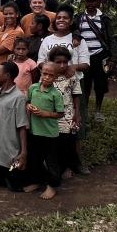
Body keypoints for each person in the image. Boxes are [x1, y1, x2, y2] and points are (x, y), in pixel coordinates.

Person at [0, 61, 28, 191]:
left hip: (9, 152)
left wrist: (23, 152)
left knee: (15, 187)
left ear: (7, 75)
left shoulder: (19, 97)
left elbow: (22, 126)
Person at [75, 0, 117, 122]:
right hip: (84, 57)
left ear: (98, 2)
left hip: (101, 56)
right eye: (88, 1)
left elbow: (111, 39)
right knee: (85, 84)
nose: (90, 4)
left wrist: (113, 58)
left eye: (93, 1)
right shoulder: (79, 17)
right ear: (85, 2)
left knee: (100, 84)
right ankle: (85, 110)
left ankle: (98, 110)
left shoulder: (104, 18)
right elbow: (74, 33)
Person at [25, 61, 65, 200]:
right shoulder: (33, 88)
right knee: (34, 158)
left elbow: (60, 113)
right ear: (41, 73)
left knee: (51, 161)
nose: (47, 77)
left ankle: (52, 186)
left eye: (51, 75)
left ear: (56, 78)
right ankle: (37, 181)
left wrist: (45, 114)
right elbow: (27, 101)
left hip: (49, 133)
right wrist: (29, 106)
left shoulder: (55, 94)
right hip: (34, 131)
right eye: (45, 74)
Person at [48, 46, 84, 177]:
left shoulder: (71, 76)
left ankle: (68, 166)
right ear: (52, 62)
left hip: (68, 114)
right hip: (51, 115)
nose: (62, 65)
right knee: (54, 143)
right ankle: (56, 168)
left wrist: (77, 113)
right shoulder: (47, 76)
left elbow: (76, 94)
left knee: (68, 141)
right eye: (58, 62)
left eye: (65, 62)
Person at [37, 4, 90, 74]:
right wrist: (51, 68)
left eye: (65, 18)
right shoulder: (47, 40)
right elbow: (40, 62)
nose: (61, 20)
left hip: (73, 80)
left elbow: (86, 64)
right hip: (50, 80)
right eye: (58, 18)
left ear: (71, 21)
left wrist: (73, 67)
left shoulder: (78, 40)